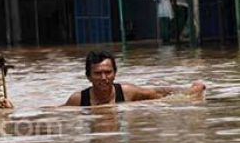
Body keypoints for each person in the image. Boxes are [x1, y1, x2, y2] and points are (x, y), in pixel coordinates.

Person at [63, 50, 206, 107]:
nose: (104, 78)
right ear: (88, 77)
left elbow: (159, 93)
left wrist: (192, 90)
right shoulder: (78, 100)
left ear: (115, 73)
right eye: (98, 73)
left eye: (108, 72)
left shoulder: (127, 92)